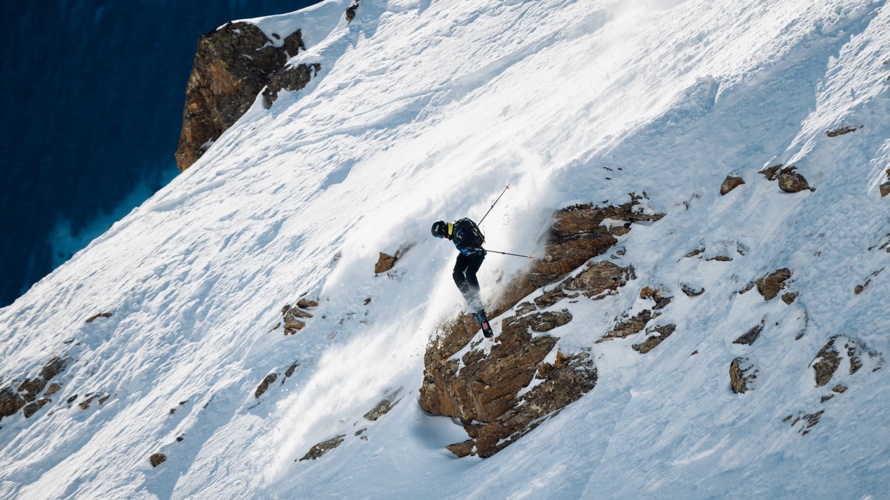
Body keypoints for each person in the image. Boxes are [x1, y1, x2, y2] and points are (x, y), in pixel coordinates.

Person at [431, 218, 490, 327]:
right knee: (456, 274)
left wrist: (468, 243)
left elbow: (472, 241)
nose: (442, 238)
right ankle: (470, 299)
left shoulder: (458, 232)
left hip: (477, 254)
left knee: (470, 274)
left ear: (443, 230)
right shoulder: (454, 232)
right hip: (467, 254)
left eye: (440, 236)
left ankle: (477, 301)